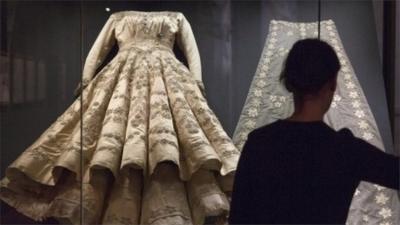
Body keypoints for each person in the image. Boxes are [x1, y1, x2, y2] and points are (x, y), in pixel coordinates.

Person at [229, 39, 399, 224]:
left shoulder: (259, 143)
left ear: (290, 83)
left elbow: (238, 218)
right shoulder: (345, 150)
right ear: (332, 84)